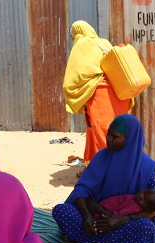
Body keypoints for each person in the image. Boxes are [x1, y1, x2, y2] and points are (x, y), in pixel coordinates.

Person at [52, 114, 155, 243]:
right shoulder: (101, 157)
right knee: (62, 211)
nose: (108, 139)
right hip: (94, 216)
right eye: (108, 134)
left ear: (130, 140)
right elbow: (81, 190)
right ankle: (110, 242)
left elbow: (153, 210)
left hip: (124, 222)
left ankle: (84, 238)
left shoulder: (147, 167)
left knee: (145, 228)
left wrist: (121, 220)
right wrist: (88, 217)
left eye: (115, 137)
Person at [63, 20, 134, 166]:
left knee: (103, 133)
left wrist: (75, 96)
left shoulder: (82, 45)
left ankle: (107, 170)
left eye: (73, 35)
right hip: (119, 92)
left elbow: (75, 75)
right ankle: (96, 166)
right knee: (114, 131)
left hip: (100, 94)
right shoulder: (105, 43)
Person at [87, 188, 155, 220]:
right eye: (144, 192)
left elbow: (116, 216)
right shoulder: (136, 199)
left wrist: (104, 215)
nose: (141, 195)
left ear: (148, 209)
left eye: (143, 199)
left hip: (99, 213)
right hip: (99, 207)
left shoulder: (133, 208)